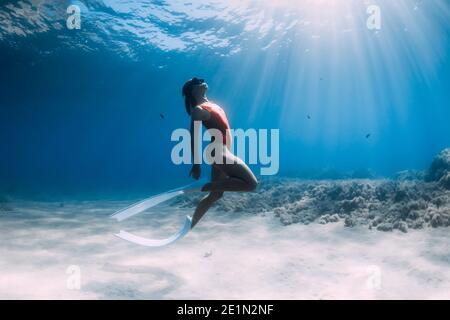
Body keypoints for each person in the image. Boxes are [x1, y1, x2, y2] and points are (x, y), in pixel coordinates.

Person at [182, 77, 258, 228]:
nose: (202, 80)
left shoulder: (212, 105)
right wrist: (196, 165)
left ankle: (191, 225)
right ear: (192, 90)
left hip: (222, 151)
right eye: (197, 81)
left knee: (216, 194)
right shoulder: (198, 110)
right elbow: (193, 138)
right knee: (251, 184)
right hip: (218, 152)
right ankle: (202, 187)